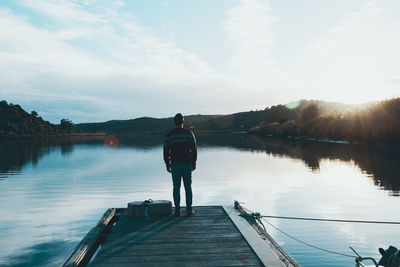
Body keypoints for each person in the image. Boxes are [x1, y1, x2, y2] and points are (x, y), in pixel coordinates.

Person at [163, 113, 197, 217]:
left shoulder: (169, 135)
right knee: (188, 187)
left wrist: (167, 163)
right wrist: (194, 162)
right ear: (183, 121)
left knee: (176, 187)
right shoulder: (189, 133)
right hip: (187, 164)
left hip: (175, 165)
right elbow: (194, 149)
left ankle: (177, 211)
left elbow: (165, 151)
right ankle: (189, 210)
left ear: (174, 122)